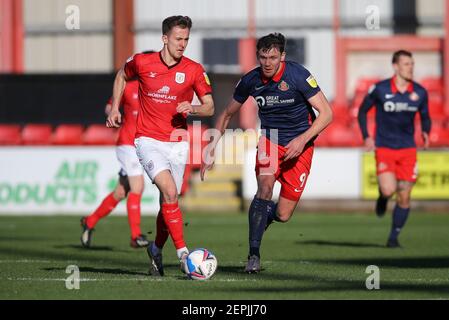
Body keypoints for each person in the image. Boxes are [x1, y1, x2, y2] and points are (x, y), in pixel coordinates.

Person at [201, 33, 333, 273]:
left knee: (283, 214)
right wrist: (211, 149)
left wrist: (302, 140)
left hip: (301, 146)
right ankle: (253, 254)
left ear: (282, 56)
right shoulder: (251, 80)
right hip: (270, 140)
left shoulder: (298, 75)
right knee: (264, 188)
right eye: (263, 57)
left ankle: (261, 219)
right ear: (258, 57)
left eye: (273, 57)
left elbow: (327, 113)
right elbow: (227, 113)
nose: (268, 63)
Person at [107, 16, 214, 276]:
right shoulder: (142, 62)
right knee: (168, 191)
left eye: (186, 39)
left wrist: (195, 107)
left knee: (169, 200)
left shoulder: (194, 70)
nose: (183, 44)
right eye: (178, 39)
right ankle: (183, 254)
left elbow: (209, 106)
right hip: (148, 140)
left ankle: (156, 249)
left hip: (177, 143)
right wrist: (115, 107)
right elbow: (122, 74)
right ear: (165, 38)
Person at [357, 50, 431, 248]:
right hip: (385, 148)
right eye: (406, 64)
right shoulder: (380, 89)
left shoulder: (420, 92)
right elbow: (362, 112)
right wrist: (366, 136)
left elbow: (425, 116)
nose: (410, 67)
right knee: (389, 189)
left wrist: (426, 131)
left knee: (405, 195)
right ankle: (383, 196)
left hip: (408, 149)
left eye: (412, 64)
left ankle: (393, 238)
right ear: (396, 66)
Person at [80, 75, 149, 249]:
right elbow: (109, 106)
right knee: (138, 186)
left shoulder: (159, 90)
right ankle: (135, 236)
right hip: (127, 144)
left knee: (119, 192)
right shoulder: (129, 86)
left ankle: (89, 221)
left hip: (144, 146)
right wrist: (113, 112)